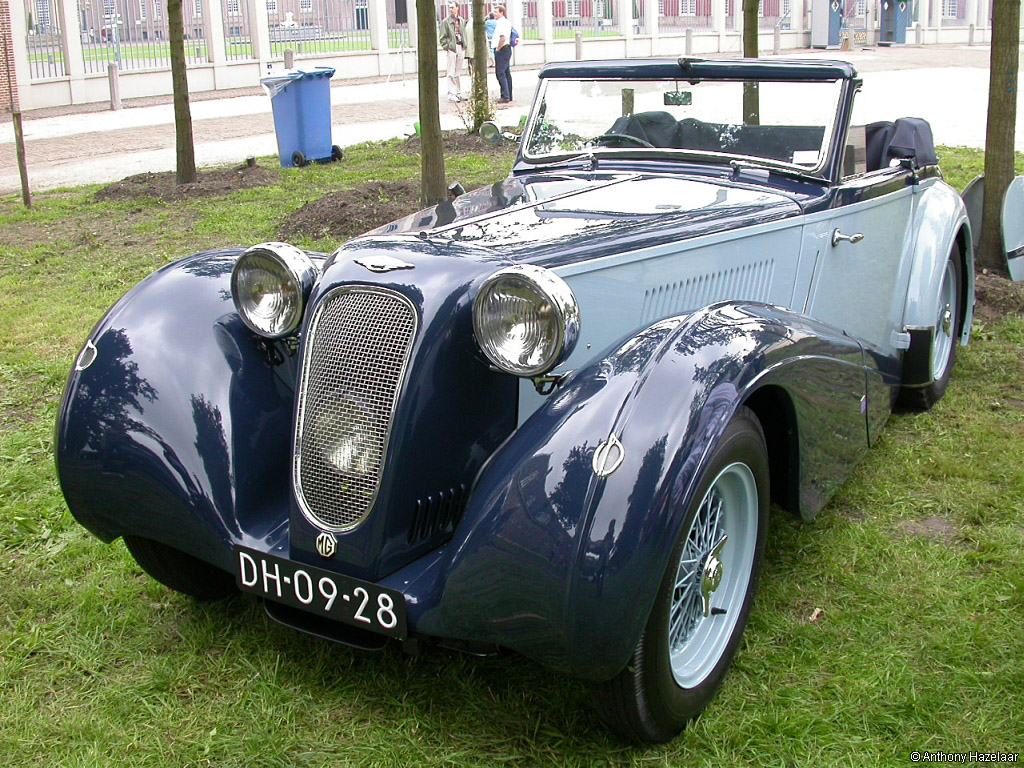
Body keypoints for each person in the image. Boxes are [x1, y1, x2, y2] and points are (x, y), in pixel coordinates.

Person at [438, 2, 466, 102]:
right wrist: (448, 47)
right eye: (449, 8)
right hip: (452, 48)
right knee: (450, 72)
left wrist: (464, 45)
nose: (451, 9)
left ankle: (458, 92)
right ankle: (451, 93)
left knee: (457, 72)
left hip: (460, 46)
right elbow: (442, 38)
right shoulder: (446, 22)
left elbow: (464, 33)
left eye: (452, 7)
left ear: (457, 8)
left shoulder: (461, 20)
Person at [490, 5, 512, 104]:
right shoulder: (504, 22)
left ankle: (505, 95)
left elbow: (502, 38)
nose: (494, 14)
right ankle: (509, 94)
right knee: (506, 73)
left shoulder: (502, 23)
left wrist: (498, 49)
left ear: (501, 13)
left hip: (502, 49)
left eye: (496, 12)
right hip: (505, 49)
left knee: (500, 73)